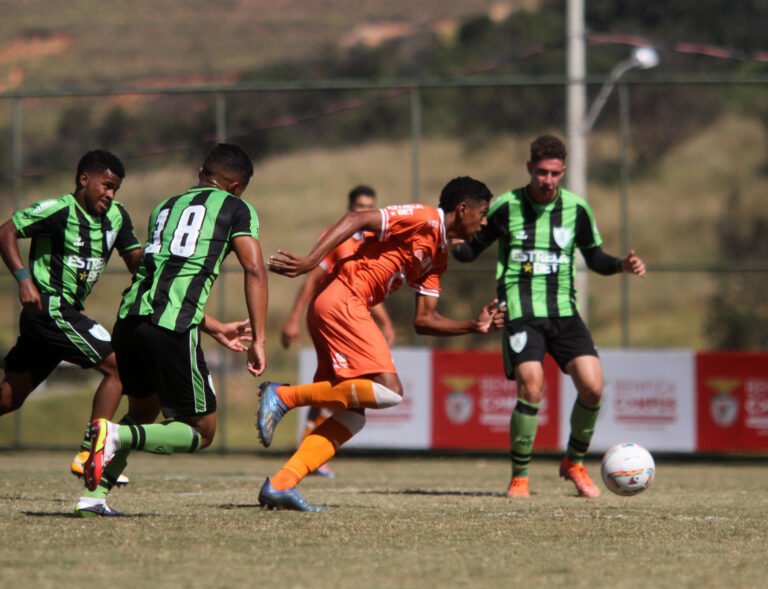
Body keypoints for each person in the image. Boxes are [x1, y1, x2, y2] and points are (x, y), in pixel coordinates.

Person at [257, 176, 506, 512]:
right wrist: (312, 260)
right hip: (343, 298)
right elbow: (356, 218)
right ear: (462, 210)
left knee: (353, 417)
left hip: (340, 305)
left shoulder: (439, 256)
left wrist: (474, 327)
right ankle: (284, 395)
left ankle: (281, 484)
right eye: (483, 212)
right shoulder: (424, 218)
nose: (485, 220)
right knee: (390, 390)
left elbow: (425, 321)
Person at [76, 142, 268, 517]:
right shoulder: (236, 208)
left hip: (129, 320)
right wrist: (259, 338)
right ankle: (113, 434)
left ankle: (92, 498)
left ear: (202, 171)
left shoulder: (167, 206)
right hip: (171, 328)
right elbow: (255, 268)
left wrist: (212, 327)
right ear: (236, 187)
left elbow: (158, 274)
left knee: (144, 410)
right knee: (202, 431)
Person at [452, 135, 646, 499]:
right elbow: (471, 250)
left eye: (555, 173)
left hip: (564, 312)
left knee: (592, 387)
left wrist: (621, 264)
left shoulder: (577, 209)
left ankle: (573, 462)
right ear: (529, 169)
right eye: (541, 172)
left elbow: (596, 259)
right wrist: (448, 242)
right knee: (532, 385)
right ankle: (519, 477)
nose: (548, 180)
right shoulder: (506, 207)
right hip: (520, 311)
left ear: (563, 172)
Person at [0, 150, 142, 486]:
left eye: (115, 189)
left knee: (10, 396)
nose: (110, 194)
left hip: (62, 316)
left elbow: (135, 259)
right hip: (49, 309)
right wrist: (24, 280)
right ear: (84, 180)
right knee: (118, 367)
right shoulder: (59, 210)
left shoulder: (117, 217)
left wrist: (151, 279)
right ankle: (90, 454)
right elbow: (5, 232)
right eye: (106, 185)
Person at [280, 184, 395, 478]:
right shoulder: (336, 237)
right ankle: (286, 401)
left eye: (367, 205)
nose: (362, 210)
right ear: (349, 207)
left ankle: (305, 455)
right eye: (357, 206)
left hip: (351, 315)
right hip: (332, 316)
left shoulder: (371, 239)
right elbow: (312, 281)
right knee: (352, 391)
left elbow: (363, 287)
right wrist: (293, 319)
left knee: (339, 390)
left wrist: (385, 321)